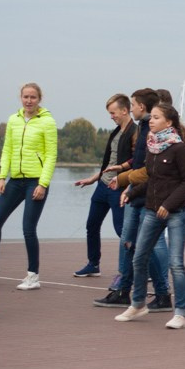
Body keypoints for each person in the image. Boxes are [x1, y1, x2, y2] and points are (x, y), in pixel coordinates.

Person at [114, 104, 185, 329]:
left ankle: (180, 312)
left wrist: (169, 205)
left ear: (168, 123)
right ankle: (138, 304)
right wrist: (131, 192)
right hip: (151, 210)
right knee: (139, 257)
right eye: (151, 117)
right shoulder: (152, 145)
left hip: (175, 213)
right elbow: (151, 178)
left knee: (176, 263)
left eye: (156, 117)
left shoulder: (179, 149)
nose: (151, 120)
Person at [94, 88, 171, 311]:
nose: (133, 107)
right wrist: (125, 172)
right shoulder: (144, 128)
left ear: (142, 107)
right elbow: (138, 161)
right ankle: (123, 291)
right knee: (129, 242)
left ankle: (162, 293)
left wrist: (123, 181)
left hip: (145, 194)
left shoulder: (151, 131)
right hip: (135, 192)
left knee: (146, 245)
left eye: (134, 104)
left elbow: (149, 168)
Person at [0, 82, 58, 290]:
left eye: (33, 97)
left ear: (39, 99)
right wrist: (1, 177)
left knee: (28, 229)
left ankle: (33, 276)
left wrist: (43, 184)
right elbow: (7, 149)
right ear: (20, 98)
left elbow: (51, 155)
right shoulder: (13, 120)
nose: (28, 101)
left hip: (36, 181)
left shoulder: (47, 121)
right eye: (25, 97)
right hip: (15, 180)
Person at [72, 94, 136, 278]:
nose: (111, 116)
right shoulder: (115, 132)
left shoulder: (135, 132)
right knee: (92, 225)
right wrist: (94, 178)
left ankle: (136, 266)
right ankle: (93, 264)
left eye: (113, 113)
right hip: (102, 186)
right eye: (110, 113)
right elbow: (109, 162)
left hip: (118, 187)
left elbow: (136, 162)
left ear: (125, 110)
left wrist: (127, 186)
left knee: (121, 230)